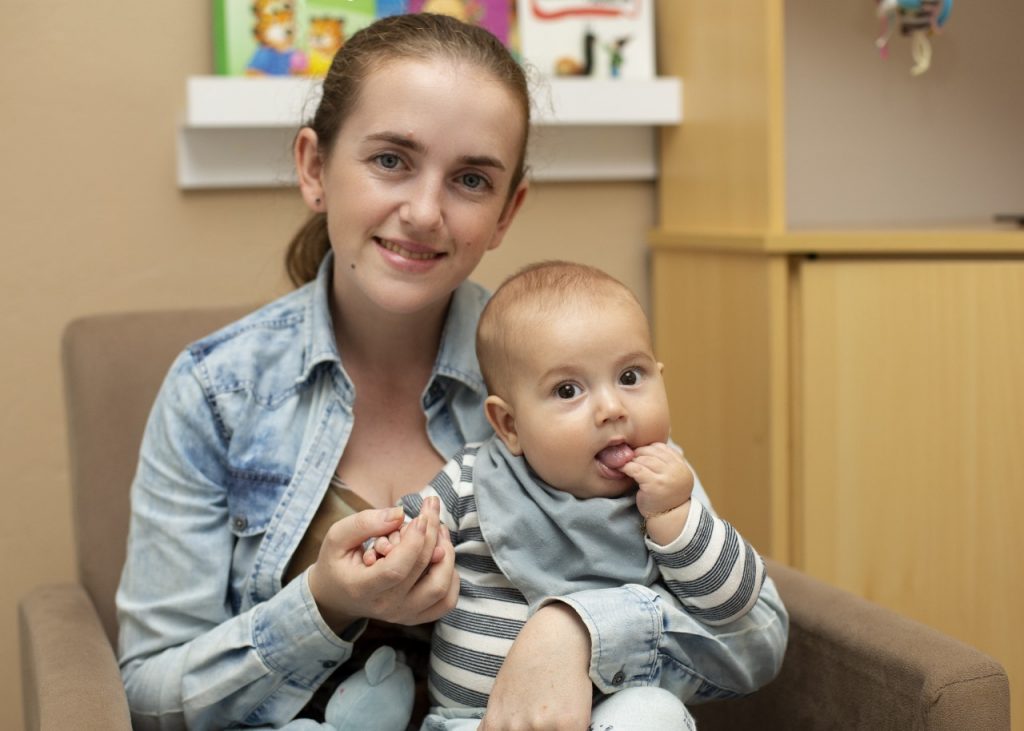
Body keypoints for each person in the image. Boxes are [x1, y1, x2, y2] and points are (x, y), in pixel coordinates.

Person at [115, 12, 788, 731]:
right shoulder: (216, 393)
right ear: (314, 168)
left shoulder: (571, 375)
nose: (425, 212)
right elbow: (149, 696)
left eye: (470, 179)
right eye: (391, 160)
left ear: (506, 212)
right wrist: (324, 605)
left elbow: (753, 635)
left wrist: (577, 628)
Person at [363, 261, 772, 731]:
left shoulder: (664, 485)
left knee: (653, 712)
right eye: (568, 389)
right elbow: (404, 537)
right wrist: (394, 548)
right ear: (510, 425)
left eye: (631, 377)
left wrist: (675, 515)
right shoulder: (472, 479)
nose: (612, 408)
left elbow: (734, 604)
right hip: (473, 722)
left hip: (601, 719)